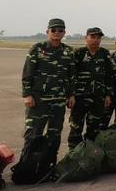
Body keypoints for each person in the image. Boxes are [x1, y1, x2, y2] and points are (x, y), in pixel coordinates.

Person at [21, 18, 76, 166]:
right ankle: (26, 168)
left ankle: (48, 166)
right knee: (33, 134)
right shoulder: (37, 48)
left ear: (64, 32)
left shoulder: (68, 51)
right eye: (54, 30)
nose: (57, 33)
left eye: (60, 30)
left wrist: (71, 95)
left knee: (54, 135)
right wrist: (27, 94)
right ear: (47, 32)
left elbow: (71, 75)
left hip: (58, 101)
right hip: (39, 101)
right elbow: (27, 73)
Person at [68, 27, 113, 148]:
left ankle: (89, 154)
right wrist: (71, 95)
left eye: (98, 37)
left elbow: (109, 75)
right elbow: (71, 75)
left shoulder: (104, 54)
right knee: (76, 129)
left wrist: (108, 94)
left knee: (94, 129)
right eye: (93, 37)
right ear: (86, 38)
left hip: (98, 98)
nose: (96, 40)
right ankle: (73, 155)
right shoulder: (78, 53)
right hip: (80, 98)